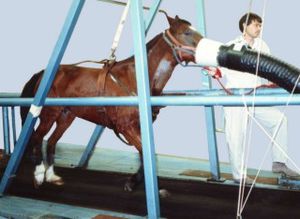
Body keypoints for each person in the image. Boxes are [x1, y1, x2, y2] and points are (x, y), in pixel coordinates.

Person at [206, 12, 299, 184]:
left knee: (279, 120)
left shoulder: (262, 45)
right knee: (236, 136)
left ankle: (279, 163)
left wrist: (279, 82)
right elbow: (220, 69)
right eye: (256, 25)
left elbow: (269, 68)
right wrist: (214, 71)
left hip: (256, 95)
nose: (259, 28)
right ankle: (239, 175)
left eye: (260, 25)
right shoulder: (231, 46)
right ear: (244, 26)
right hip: (236, 97)